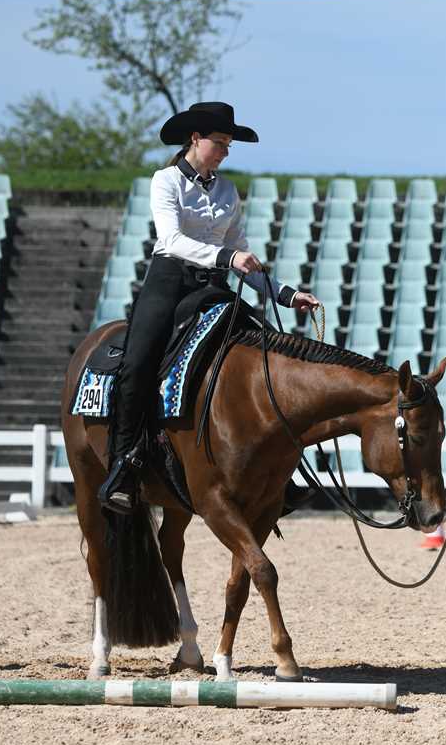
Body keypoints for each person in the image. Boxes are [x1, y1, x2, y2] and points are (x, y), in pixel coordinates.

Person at [98, 101, 320, 514]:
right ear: (195, 138)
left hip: (213, 288)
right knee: (138, 364)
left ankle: (281, 471)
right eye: (220, 143)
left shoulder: (227, 191)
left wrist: (286, 295)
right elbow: (171, 240)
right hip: (169, 284)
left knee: (268, 353)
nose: (225, 152)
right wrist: (227, 257)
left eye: (229, 145)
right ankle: (123, 466)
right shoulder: (165, 180)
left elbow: (241, 254)